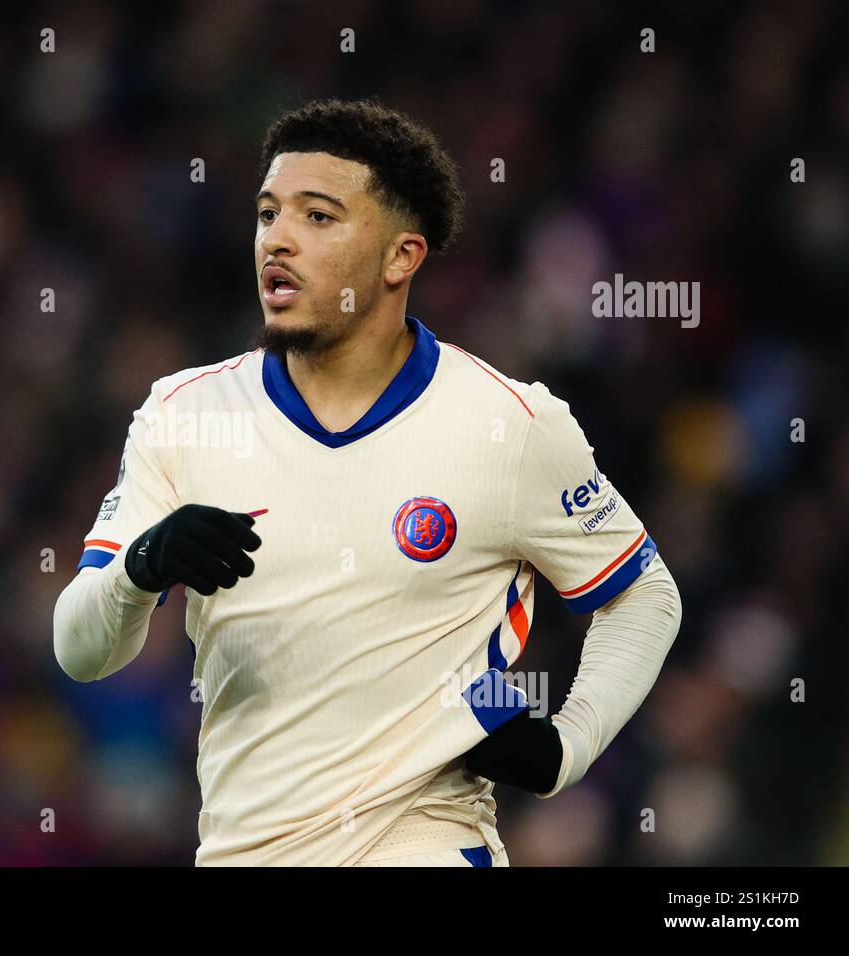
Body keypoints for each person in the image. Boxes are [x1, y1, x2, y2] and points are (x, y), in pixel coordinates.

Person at [53, 97, 682, 866]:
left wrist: (568, 744)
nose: (277, 239)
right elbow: (80, 648)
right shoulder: (185, 413)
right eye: (266, 213)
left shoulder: (509, 424)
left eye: (318, 217)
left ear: (400, 258)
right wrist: (140, 570)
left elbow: (643, 592)